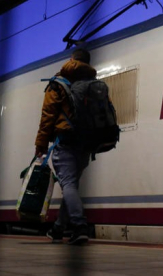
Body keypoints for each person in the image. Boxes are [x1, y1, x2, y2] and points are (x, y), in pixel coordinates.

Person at [35, 48, 96, 245]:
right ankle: (58, 229)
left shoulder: (59, 82)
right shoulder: (93, 84)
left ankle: (79, 226)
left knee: (68, 185)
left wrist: (41, 144)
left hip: (65, 142)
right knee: (71, 185)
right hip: (86, 145)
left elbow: (48, 116)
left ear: (72, 59)